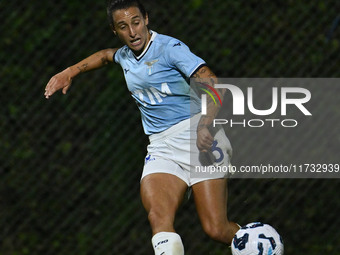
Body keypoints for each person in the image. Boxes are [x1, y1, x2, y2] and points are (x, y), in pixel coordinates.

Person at [44, 0, 240, 254]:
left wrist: (205, 125)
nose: (132, 31)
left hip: (200, 138)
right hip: (161, 147)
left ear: (146, 19)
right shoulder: (125, 56)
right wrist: (69, 72)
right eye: (123, 26)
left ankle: (260, 243)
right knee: (159, 219)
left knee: (216, 230)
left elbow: (214, 84)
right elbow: (105, 56)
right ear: (115, 31)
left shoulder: (170, 48)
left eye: (136, 22)